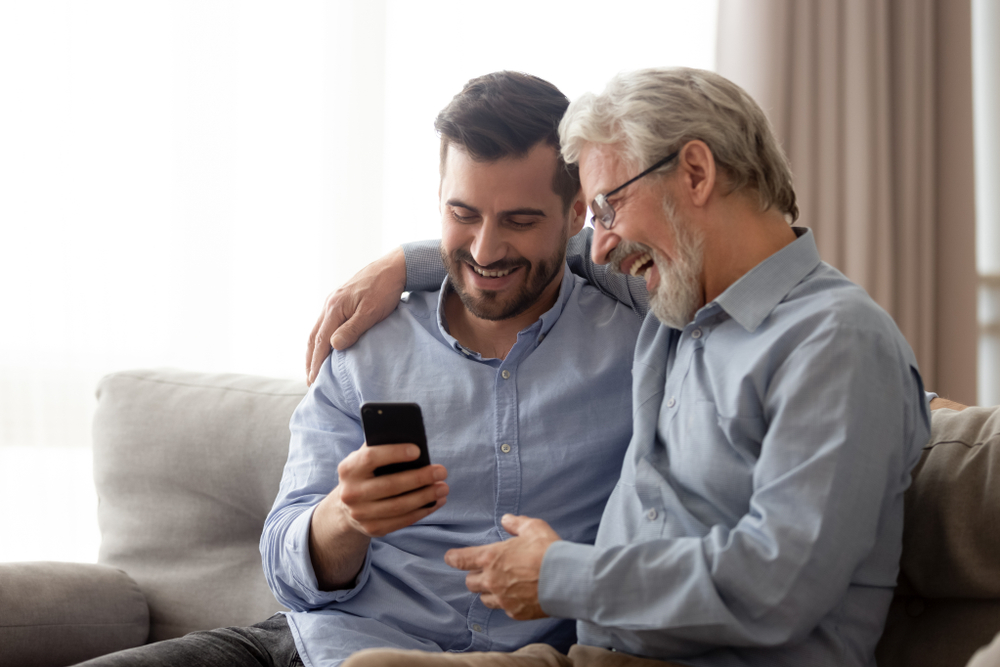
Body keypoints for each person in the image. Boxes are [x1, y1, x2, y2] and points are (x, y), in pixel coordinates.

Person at [311, 68, 932, 667]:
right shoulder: (681, 309)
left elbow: (780, 585)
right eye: (595, 215)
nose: (602, 243)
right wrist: (407, 262)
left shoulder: (835, 340)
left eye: (608, 208)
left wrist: (561, 576)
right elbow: (541, 250)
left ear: (695, 172)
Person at [72, 72, 642, 667]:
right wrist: (344, 517)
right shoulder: (367, 343)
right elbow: (288, 572)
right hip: (317, 647)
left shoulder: (637, 350)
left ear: (577, 211)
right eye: (462, 213)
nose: (484, 250)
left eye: (519, 221)